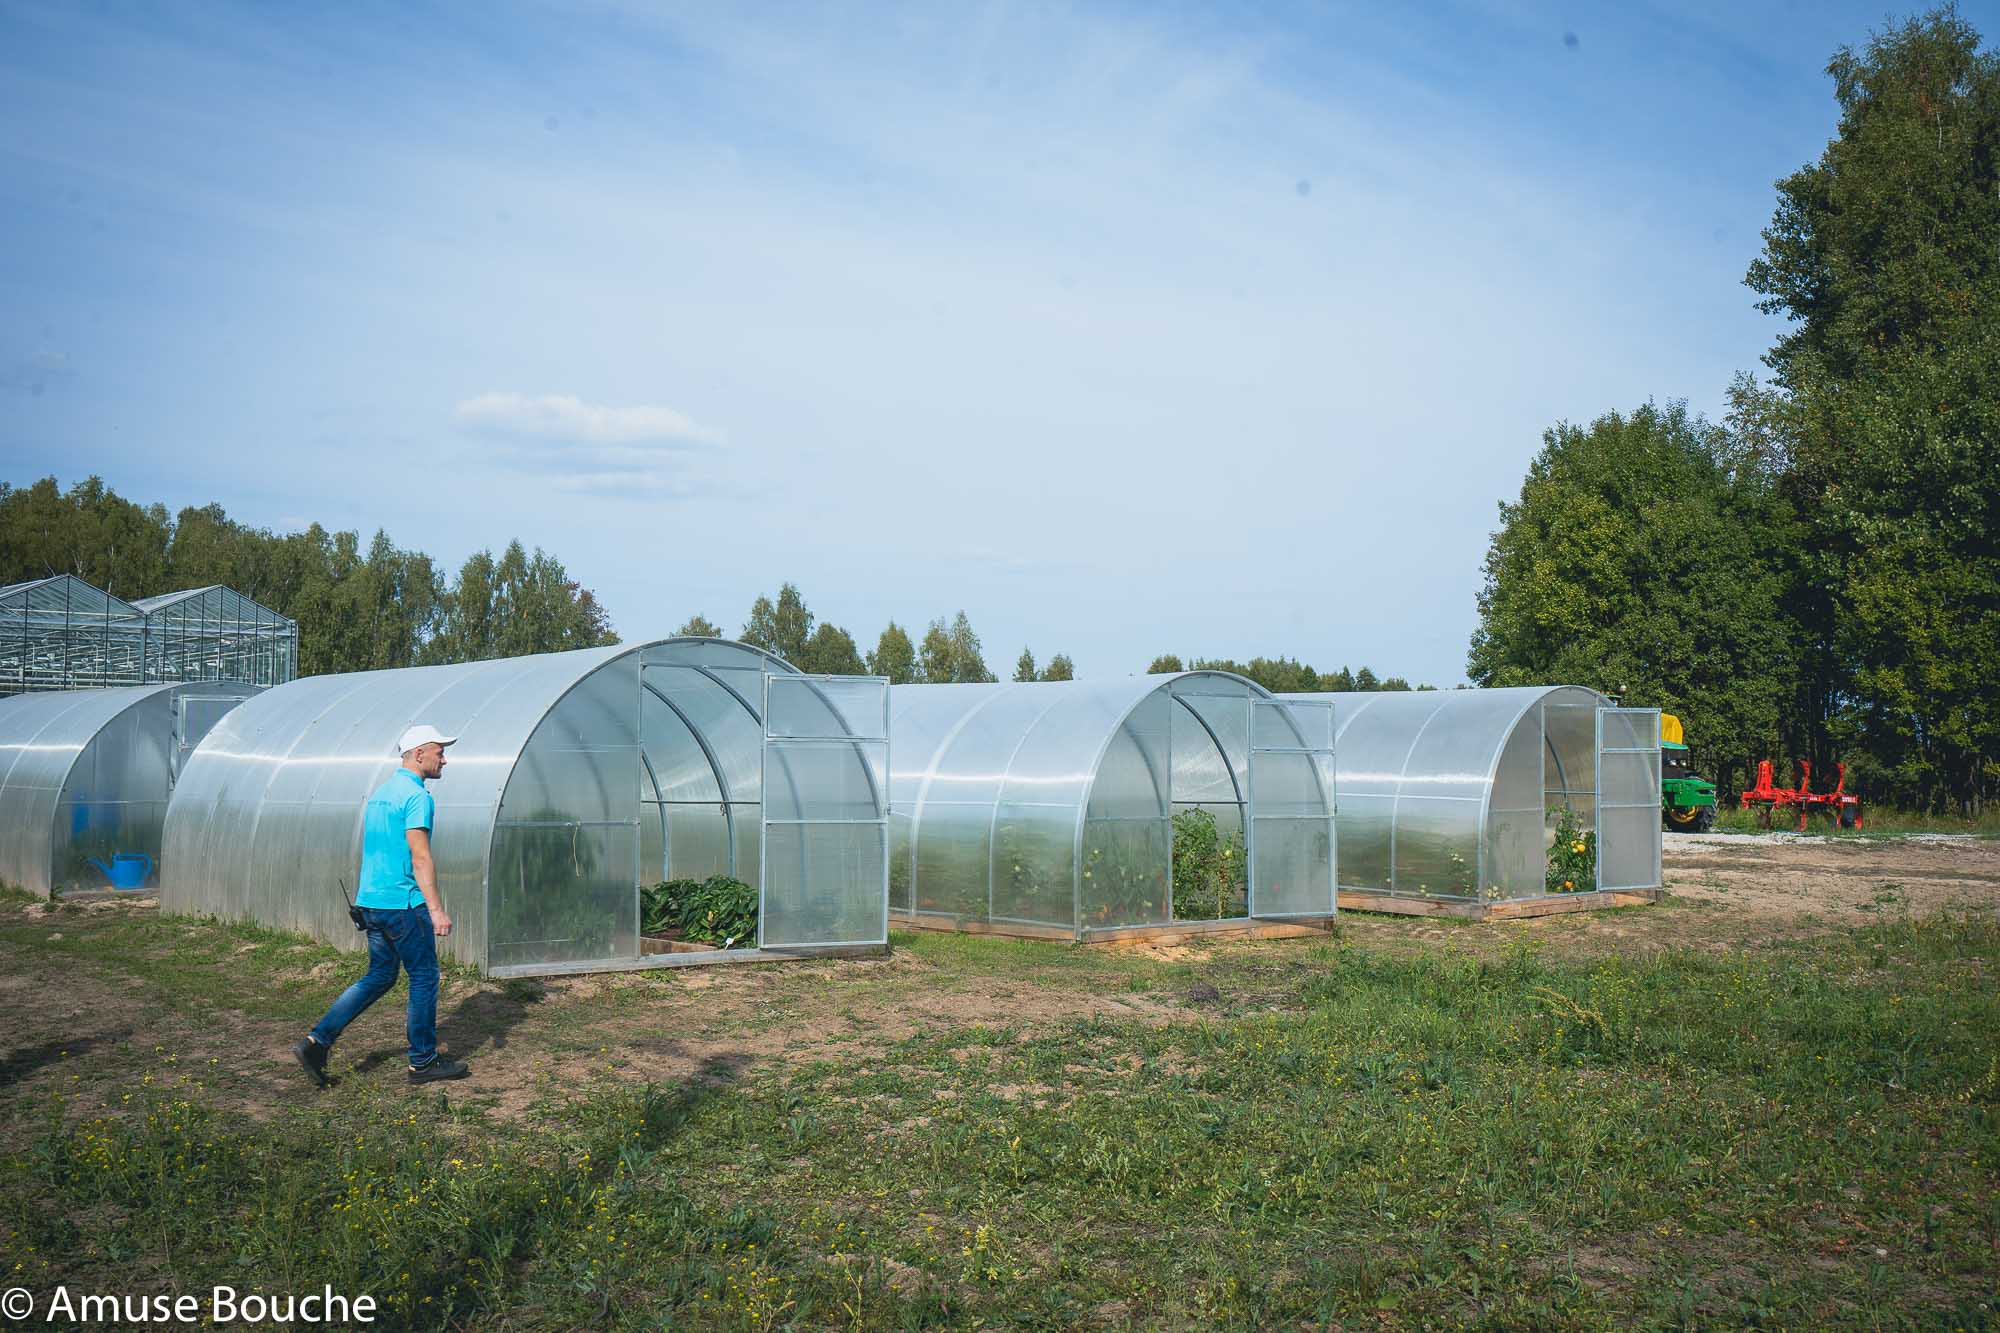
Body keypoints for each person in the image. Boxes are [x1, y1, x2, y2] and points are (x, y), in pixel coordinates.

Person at [293, 724, 470, 1086]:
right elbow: (420, 857)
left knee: (380, 975)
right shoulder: (418, 797)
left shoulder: (381, 794)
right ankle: (422, 1062)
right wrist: (436, 909)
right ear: (419, 753)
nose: (445, 759)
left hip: (371, 902)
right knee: (423, 976)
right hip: (403, 905)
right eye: (439, 751)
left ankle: (317, 1041)